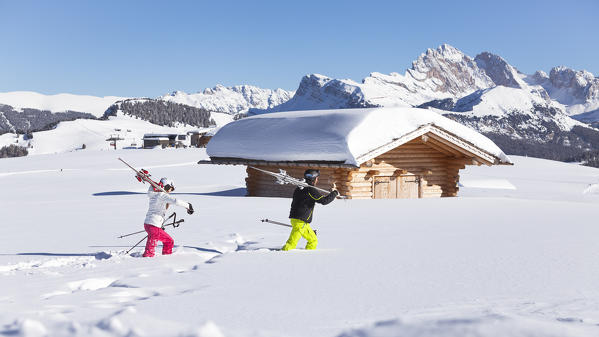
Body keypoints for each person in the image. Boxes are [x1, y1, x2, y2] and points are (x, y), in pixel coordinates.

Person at [282, 169, 338, 251]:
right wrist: (334, 193)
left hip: (297, 220)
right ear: (314, 179)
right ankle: (280, 256)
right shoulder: (310, 190)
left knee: (313, 240)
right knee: (291, 244)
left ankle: (309, 257)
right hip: (300, 221)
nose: (317, 180)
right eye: (317, 178)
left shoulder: (299, 188)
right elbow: (324, 201)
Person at [142, 177, 194, 257]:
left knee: (167, 241)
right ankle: (164, 259)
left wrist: (159, 225)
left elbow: (159, 210)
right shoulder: (161, 195)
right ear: (166, 186)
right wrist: (188, 205)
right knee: (165, 244)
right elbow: (175, 201)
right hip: (153, 225)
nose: (171, 191)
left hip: (149, 224)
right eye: (171, 188)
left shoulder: (154, 195)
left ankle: (160, 257)